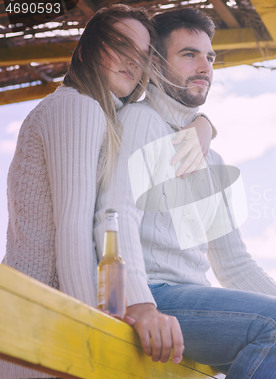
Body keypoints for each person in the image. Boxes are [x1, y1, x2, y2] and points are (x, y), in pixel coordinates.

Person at [94, 8, 276, 379]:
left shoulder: (211, 157)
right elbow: (117, 216)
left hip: (196, 303)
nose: (205, 67)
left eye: (209, 57)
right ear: (156, 63)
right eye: (189, 54)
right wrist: (140, 302)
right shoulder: (142, 121)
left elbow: (235, 264)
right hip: (154, 295)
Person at [2, 4, 213, 378]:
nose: (132, 61)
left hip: (35, 319)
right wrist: (97, 331)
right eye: (120, 45)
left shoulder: (95, 113)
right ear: (86, 49)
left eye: (143, 54)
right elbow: (74, 232)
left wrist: (204, 125)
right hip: (40, 325)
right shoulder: (78, 108)